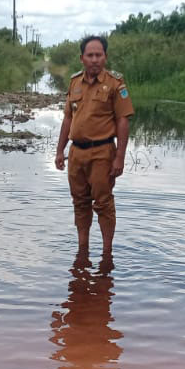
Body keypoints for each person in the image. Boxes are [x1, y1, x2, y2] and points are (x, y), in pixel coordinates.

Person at [54, 35, 134, 258]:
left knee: (103, 203)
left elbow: (123, 121)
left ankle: (107, 253)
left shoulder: (116, 84)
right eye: (90, 55)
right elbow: (68, 119)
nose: (95, 59)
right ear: (82, 58)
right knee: (79, 202)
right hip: (76, 153)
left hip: (102, 153)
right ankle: (83, 249)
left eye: (99, 55)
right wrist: (60, 150)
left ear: (105, 57)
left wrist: (119, 157)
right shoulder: (74, 82)